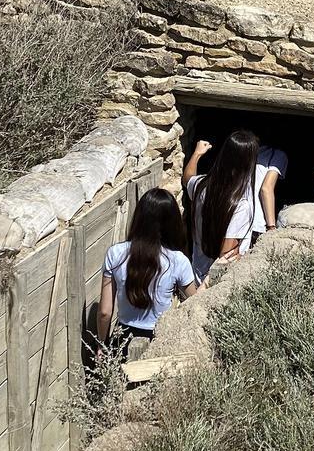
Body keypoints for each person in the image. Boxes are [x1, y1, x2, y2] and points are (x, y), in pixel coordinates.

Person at [97, 187, 198, 357]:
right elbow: (194, 302)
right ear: (172, 223)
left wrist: (102, 344)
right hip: (160, 339)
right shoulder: (178, 261)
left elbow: (105, 312)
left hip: (122, 339)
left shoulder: (115, 254)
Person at [183, 128, 263, 282]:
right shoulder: (241, 205)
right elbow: (225, 258)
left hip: (197, 272)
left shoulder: (201, 186)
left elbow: (187, 179)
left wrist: (197, 153)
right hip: (215, 284)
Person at [252, 144, 289, 238]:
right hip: (254, 222)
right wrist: (271, 227)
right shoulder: (277, 155)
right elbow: (266, 188)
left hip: (229, 216)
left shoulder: (243, 151)